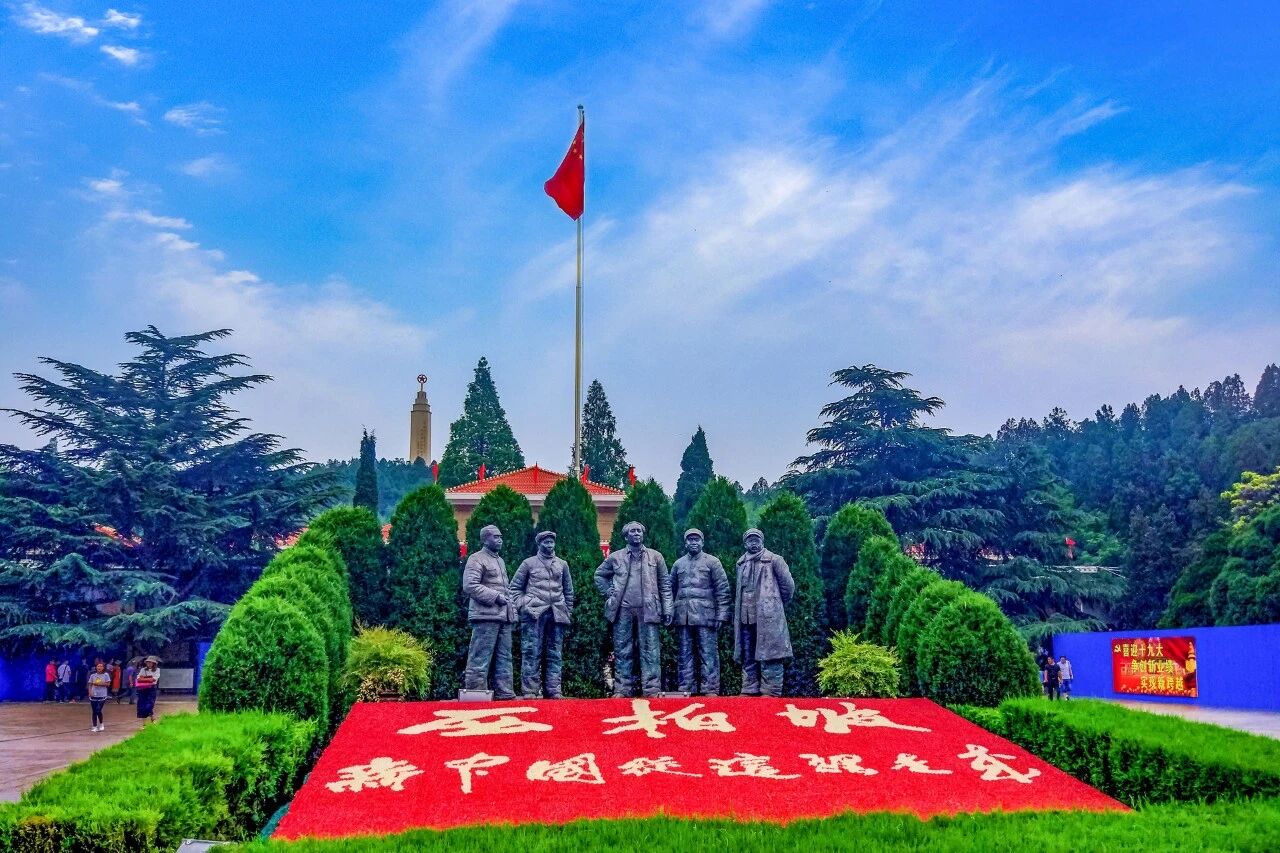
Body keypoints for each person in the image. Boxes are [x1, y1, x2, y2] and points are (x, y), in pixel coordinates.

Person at [594, 520, 672, 698]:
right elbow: (599, 575)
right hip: (623, 609)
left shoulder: (656, 556)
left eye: (639, 531)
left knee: (650, 650)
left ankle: (652, 689)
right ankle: (622, 689)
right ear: (626, 536)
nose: (636, 534)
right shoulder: (616, 557)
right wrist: (609, 591)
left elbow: (665, 584)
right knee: (622, 649)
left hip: (649, 609)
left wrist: (667, 609)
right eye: (633, 531)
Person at [509, 530, 574, 699]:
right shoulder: (528, 563)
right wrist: (524, 605)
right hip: (534, 614)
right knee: (531, 651)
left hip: (557, 613)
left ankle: (553, 690)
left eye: (552, 542)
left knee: (555, 653)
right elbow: (514, 589)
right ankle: (530, 690)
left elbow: (568, 591)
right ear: (539, 544)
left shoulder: (562, 564)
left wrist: (567, 610)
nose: (550, 545)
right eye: (546, 542)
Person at [733, 528, 794, 697]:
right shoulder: (741, 563)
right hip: (745, 616)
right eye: (750, 540)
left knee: (771, 654)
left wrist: (774, 604)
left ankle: (771, 690)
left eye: (756, 540)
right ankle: (749, 687)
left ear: (762, 541)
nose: (753, 543)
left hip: (768, 615)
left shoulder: (775, 560)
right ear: (745, 543)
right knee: (748, 652)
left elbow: (788, 587)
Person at [670, 529, 730, 696]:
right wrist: (669, 613)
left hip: (706, 616)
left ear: (702, 542)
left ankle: (710, 688)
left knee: (708, 653)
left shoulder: (713, 562)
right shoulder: (678, 564)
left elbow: (723, 589)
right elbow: (669, 590)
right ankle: (685, 688)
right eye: (690, 540)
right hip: (683, 616)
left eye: (697, 539)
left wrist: (722, 614)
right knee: (684, 653)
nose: (693, 542)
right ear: (685, 543)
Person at [461, 525, 517, 699]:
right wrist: (495, 597)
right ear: (485, 539)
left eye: (501, 537)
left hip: (503, 616)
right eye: (496, 537)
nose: (500, 540)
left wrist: (512, 612)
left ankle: (505, 693)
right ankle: (475, 693)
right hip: (485, 615)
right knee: (480, 656)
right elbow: (470, 585)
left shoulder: (500, 561)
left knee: (504, 656)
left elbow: (506, 589)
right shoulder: (476, 558)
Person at [87, 661, 111, 732]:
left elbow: (108, 684)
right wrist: (90, 692)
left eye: (101, 666)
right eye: (98, 666)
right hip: (94, 694)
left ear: (103, 667)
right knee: (94, 711)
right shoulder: (93, 675)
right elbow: (90, 684)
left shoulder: (106, 675)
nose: (99, 667)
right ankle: (94, 726)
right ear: (96, 667)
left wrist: (99, 684)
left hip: (102, 695)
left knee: (98, 710)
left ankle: (101, 724)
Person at [135, 657, 160, 722]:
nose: (148, 663)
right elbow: (138, 679)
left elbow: (154, 679)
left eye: (150, 662)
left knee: (150, 704)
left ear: (153, 663)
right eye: (147, 662)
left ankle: (152, 718)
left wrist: (143, 678)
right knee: (142, 704)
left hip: (152, 688)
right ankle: (144, 723)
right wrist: (149, 679)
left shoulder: (157, 670)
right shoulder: (143, 669)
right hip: (142, 688)